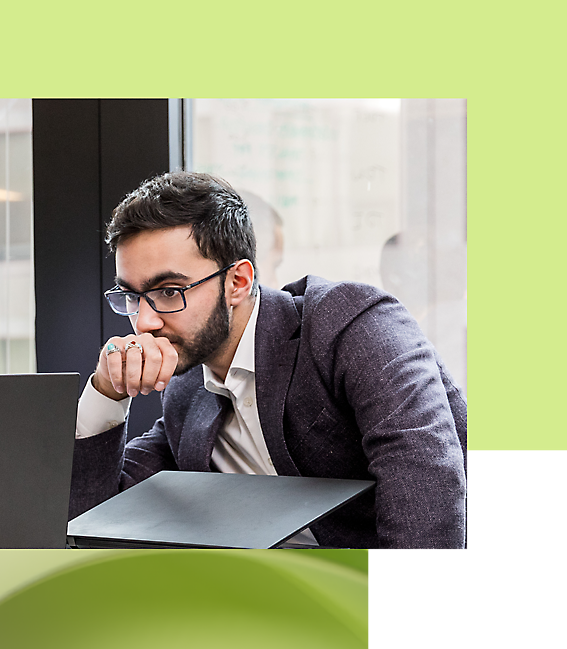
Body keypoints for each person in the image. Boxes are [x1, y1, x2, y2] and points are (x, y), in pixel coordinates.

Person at [70, 171, 467, 550]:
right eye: (133, 296)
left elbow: (426, 478)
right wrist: (107, 393)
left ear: (238, 282)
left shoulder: (349, 325)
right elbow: (95, 521)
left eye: (170, 291)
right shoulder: (187, 391)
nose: (144, 321)